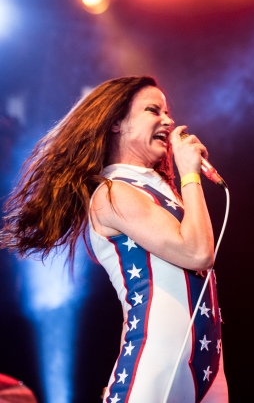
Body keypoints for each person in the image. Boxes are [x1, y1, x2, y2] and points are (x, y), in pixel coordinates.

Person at [0, 76, 228, 403]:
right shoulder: (112, 192)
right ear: (117, 123)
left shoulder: (162, 191)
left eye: (167, 112)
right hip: (157, 363)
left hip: (206, 364)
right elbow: (198, 252)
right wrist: (190, 173)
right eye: (153, 110)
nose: (168, 120)